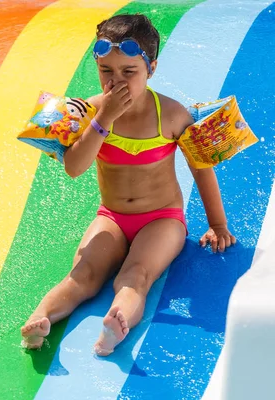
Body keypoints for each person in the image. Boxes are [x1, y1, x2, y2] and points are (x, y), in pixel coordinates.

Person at [20, 14, 236, 355]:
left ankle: (117, 323)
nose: (115, 82)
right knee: (83, 274)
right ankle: (41, 318)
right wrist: (104, 118)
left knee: (135, 276)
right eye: (106, 71)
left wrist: (218, 224)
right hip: (112, 216)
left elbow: (202, 170)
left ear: (151, 68)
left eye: (128, 72)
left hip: (162, 219)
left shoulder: (171, 114)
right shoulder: (88, 112)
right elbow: (75, 167)